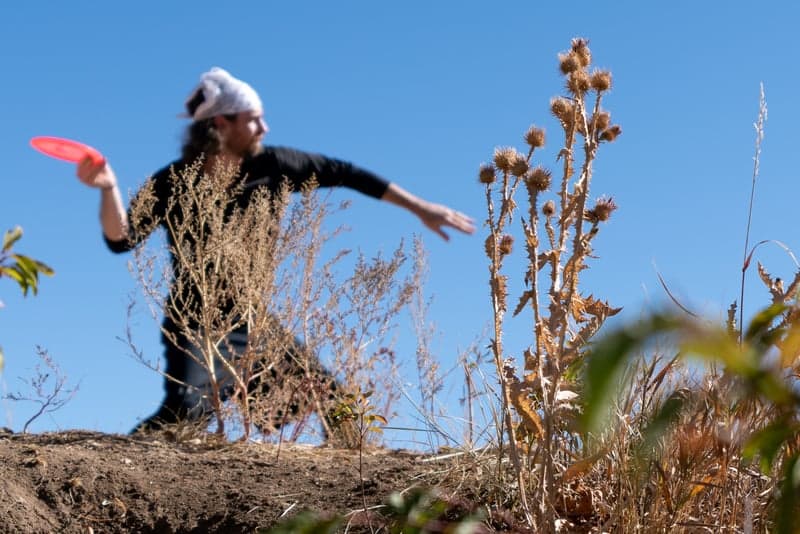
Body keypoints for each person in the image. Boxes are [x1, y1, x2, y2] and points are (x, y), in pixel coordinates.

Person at [76, 67, 475, 435]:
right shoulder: (174, 182)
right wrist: (109, 188)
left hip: (253, 322)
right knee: (184, 419)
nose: (264, 127)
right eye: (253, 119)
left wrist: (421, 208)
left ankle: (358, 485)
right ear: (221, 123)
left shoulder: (276, 165)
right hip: (196, 322)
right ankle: (111, 467)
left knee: (336, 405)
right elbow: (121, 239)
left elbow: (348, 173)